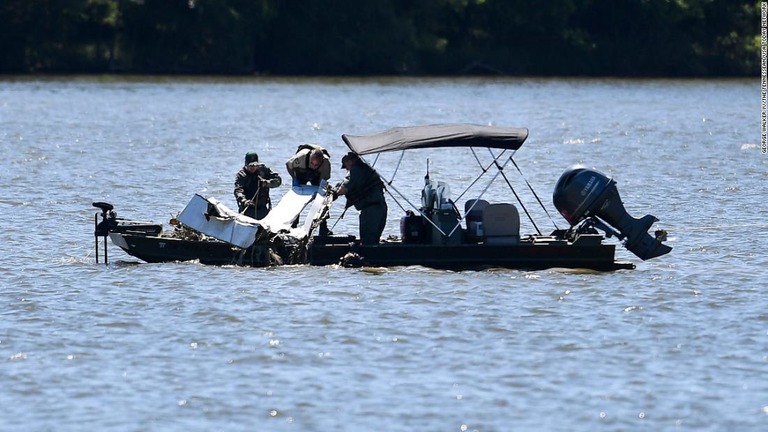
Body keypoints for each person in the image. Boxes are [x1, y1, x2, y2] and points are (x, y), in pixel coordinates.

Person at [335, 152, 387, 245]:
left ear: (350, 162)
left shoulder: (355, 170)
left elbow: (344, 189)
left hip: (371, 211)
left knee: (367, 241)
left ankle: (367, 258)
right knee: (374, 240)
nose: (346, 169)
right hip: (381, 208)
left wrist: (333, 193)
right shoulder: (366, 169)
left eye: (346, 166)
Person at [234, 152, 282, 219]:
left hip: (263, 208)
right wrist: (244, 201)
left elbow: (278, 181)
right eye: (250, 165)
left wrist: (267, 183)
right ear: (246, 164)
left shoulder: (263, 170)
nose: (253, 167)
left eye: (255, 165)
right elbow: (238, 191)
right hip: (248, 209)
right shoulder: (241, 175)